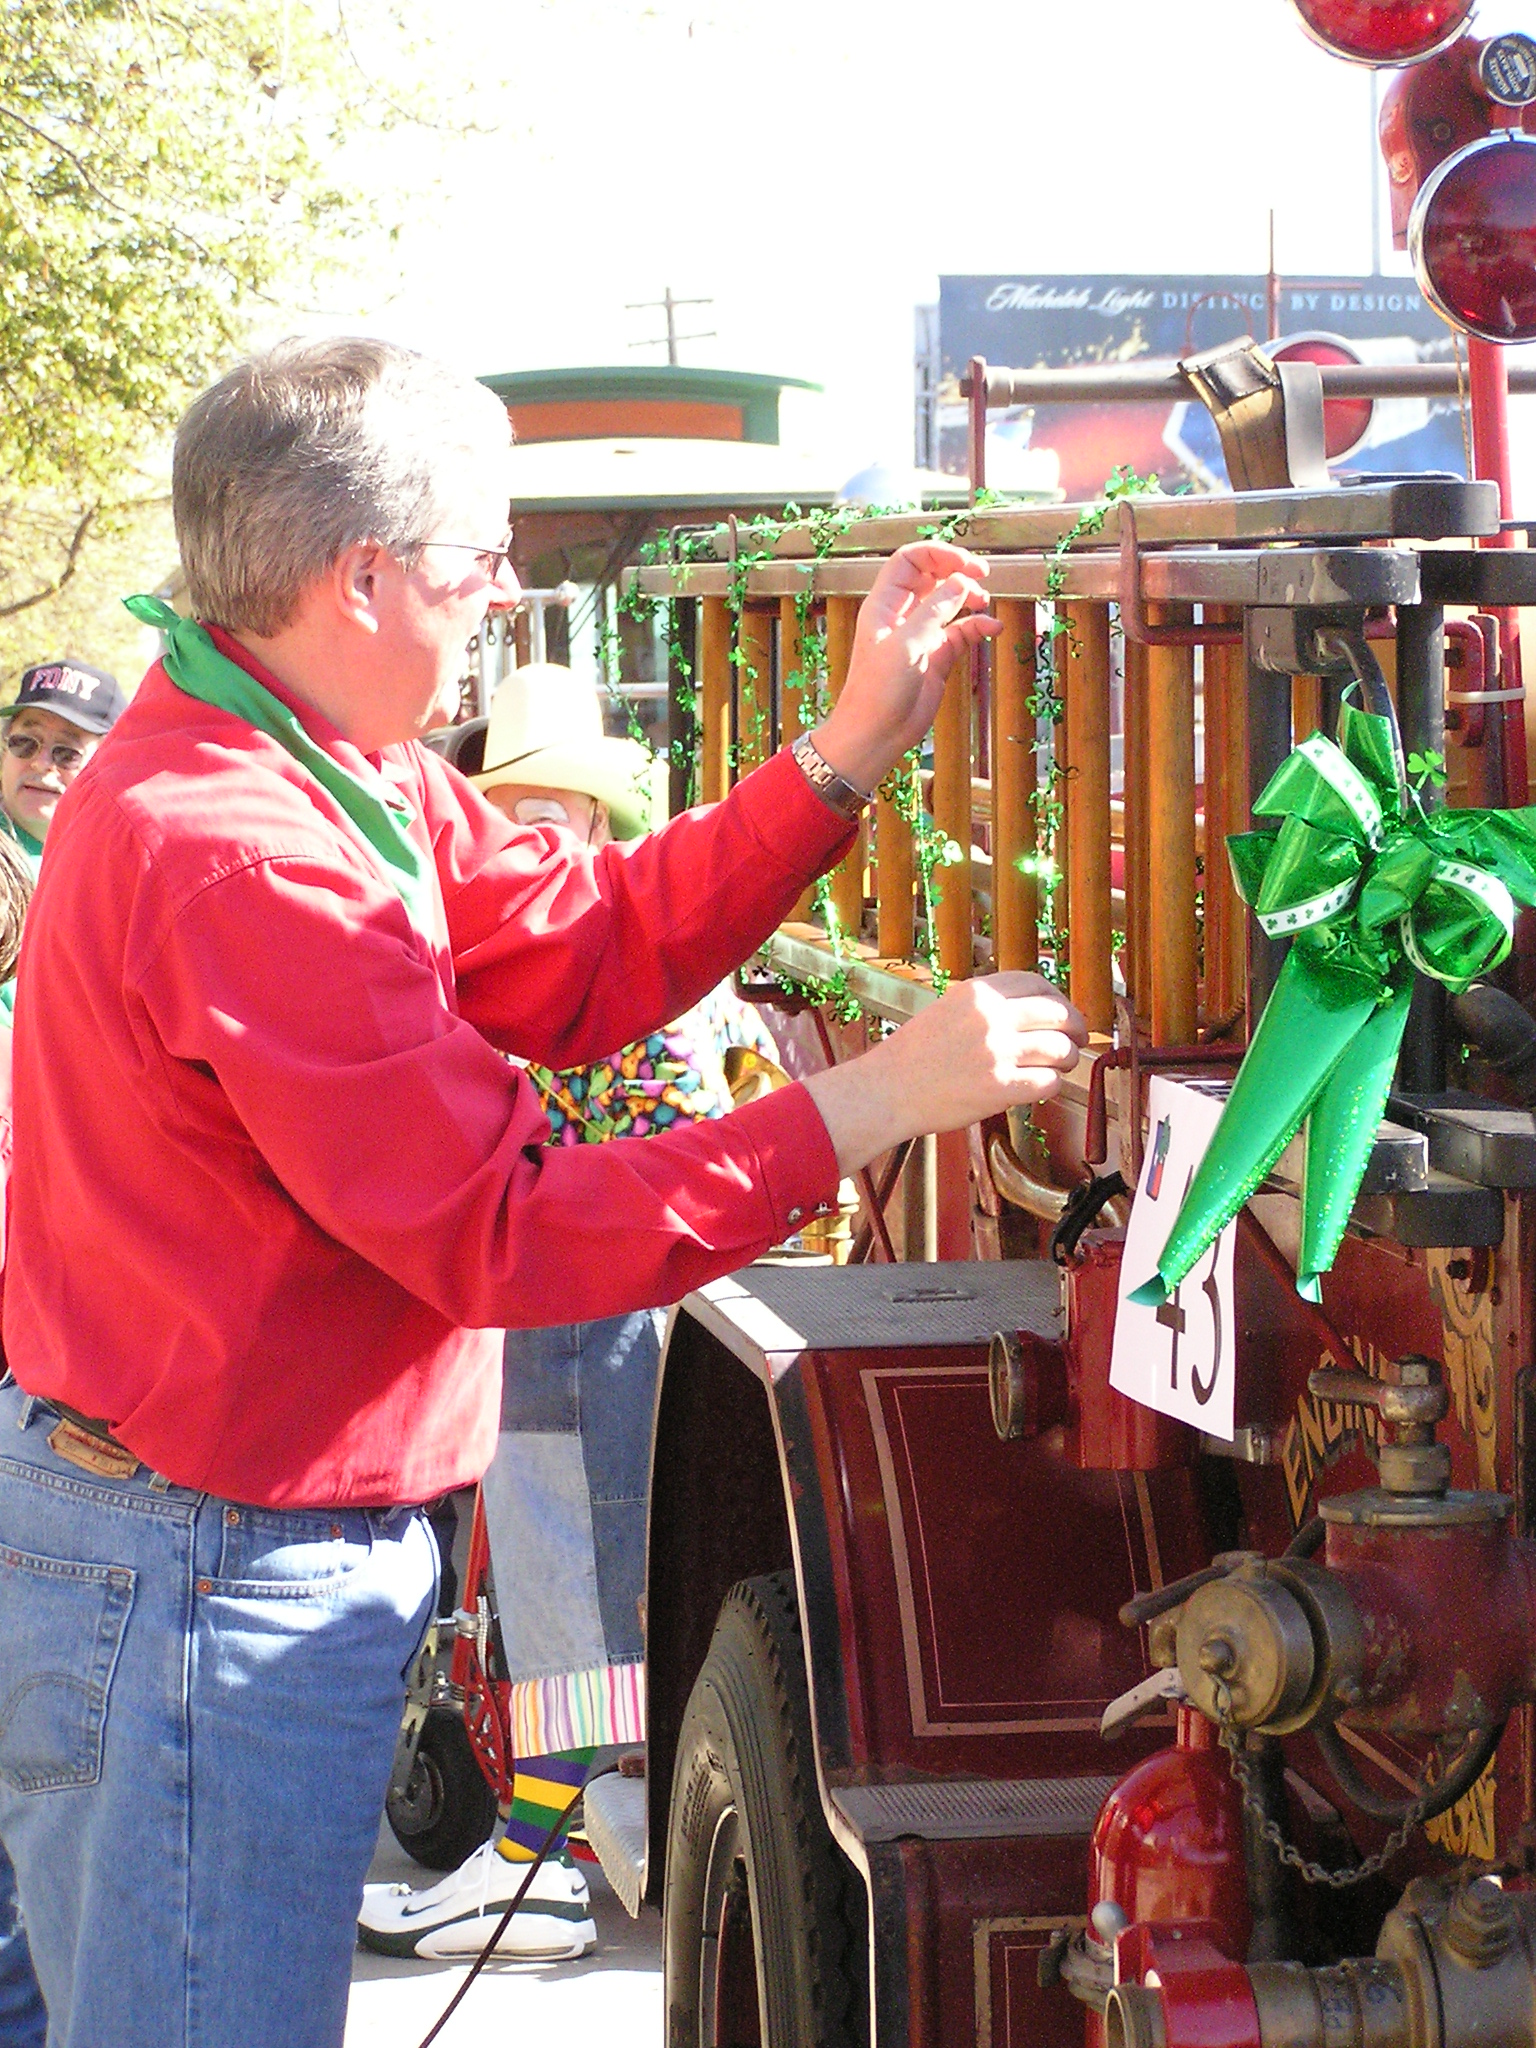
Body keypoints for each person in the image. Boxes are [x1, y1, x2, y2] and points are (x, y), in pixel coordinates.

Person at [0, 336, 1085, 2048]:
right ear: (360, 577)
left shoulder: (320, 761)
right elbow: (502, 1226)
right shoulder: (245, 843)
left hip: (203, 1540)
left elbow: (585, 943)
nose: (501, 589)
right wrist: (883, 1099)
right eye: (478, 555)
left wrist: (851, 746)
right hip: (205, 1564)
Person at [359, 664, 779, 1963]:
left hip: (599, 1300)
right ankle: (563, 1842)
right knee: (567, 1580)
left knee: (578, 1583)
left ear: (599, 825)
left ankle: (541, 1858)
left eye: (564, 810)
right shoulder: (575, 939)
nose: (542, 833)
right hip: (576, 1293)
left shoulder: (583, 953)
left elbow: (650, 1129)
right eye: (520, 809)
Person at [0, 660, 126, 1015]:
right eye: (25, 743)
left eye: (66, 753)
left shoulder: (123, 870)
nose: (41, 764)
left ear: (109, 762)